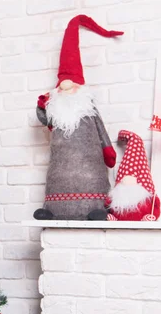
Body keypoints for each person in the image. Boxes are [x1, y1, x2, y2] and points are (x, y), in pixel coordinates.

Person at [33, 15, 122, 221]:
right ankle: (51, 210)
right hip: (60, 170)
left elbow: (100, 127)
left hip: (91, 168)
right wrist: (41, 103)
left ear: (80, 87)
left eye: (71, 84)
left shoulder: (87, 107)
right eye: (64, 84)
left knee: (92, 180)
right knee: (57, 178)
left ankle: (95, 210)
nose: (67, 88)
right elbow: (42, 117)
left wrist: (107, 150)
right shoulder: (55, 111)